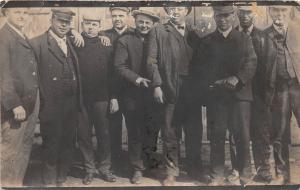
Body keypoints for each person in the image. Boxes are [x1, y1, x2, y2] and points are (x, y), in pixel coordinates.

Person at [146, 5, 204, 185]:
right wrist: (156, 85)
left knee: (194, 131)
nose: (176, 11)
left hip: (191, 89)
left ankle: (195, 169)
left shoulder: (194, 33)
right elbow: (151, 61)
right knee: (170, 132)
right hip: (170, 87)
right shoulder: (158, 31)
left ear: (186, 11)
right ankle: (171, 172)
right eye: (171, 8)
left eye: (179, 8)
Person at [199, 5, 257, 185]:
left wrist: (238, 78)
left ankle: (244, 173)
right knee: (217, 134)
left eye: (226, 16)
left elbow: (251, 62)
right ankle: (216, 173)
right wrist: (212, 82)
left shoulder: (244, 39)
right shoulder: (207, 41)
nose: (222, 19)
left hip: (240, 96)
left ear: (233, 16)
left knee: (242, 135)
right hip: (217, 96)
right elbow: (200, 67)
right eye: (219, 16)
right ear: (214, 17)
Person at [30, 8, 82, 186]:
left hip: (71, 104)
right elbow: (32, 77)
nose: (63, 25)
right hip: (50, 105)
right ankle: (50, 182)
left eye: (67, 23)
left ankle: (62, 178)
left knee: (67, 143)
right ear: (51, 20)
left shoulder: (72, 41)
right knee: (51, 144)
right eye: (60, 21)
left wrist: (74, 32)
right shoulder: (37, 44)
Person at [113, 7, 159, 184]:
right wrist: (137, 78)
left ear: (153, 24)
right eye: (141, 22)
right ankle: (137, 168)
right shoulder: (125, 40)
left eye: (148, 22)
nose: (144, 25)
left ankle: (149, 165)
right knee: (135, 132)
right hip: (133, 94)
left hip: (155, 92)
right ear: (135, 21)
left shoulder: (158, 39)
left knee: (153, 130)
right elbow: (119, 66)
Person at [75, 13, 116, 185]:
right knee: (84, 136)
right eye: (87, 24)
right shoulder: (75, 43)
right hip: (81, 99)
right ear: (82, 25)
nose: (90, 27)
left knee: (104, 134)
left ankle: (105, 168)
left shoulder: (106, 45)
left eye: (94, 24)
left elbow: (113, 75)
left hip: (102, 98)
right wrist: (73, 31)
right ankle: (89, 170)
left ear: (99, 27)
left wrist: (113, 97)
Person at [0, 8, 39, 187]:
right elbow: (3, 75)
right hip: (16, 104)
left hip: (29, 101)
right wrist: (14, 104)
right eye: (17, 12)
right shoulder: (4, 36)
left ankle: (16, 183)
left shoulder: (21, 34)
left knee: (24, 146)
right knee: (10, 149)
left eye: (25, 12)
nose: (22, 16)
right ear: (6, 14)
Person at [262, 5, 300, 184]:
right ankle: (282, 175)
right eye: (276, 10)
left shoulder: (298, 29)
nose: (280, 14)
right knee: (280, 131)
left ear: (290, 11)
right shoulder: (262, 35)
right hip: (279, 89)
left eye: (284, 10)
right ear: (269, 11)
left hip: (298, 87)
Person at [235, 4, 272, 183]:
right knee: (239, 132)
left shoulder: (262, 36)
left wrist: (267, 93)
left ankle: (263, 169)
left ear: (254, 14)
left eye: (248, 12)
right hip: (238, 93)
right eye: (241, 12)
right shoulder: (232, 34)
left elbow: (267, 67)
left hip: (258, 92)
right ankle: (240, 168)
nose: (244, 15)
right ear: (237, 13)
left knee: (261, 131)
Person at [102, 7, 132, 172]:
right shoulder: (104, 35)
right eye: (114, 16)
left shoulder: (135, 34)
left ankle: (135, 163)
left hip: (132, 90)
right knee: (113, 127)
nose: (118, 19)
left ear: (127, 16)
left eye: (121, 15)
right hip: (112, 90)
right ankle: (116, 162)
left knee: (134, 127)